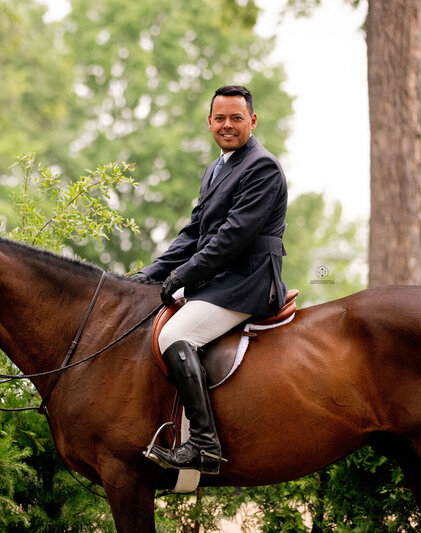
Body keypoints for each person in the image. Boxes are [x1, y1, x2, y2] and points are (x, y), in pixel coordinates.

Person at [134, 85, 288, 474]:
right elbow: (194, 233)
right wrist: (148, 275)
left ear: (252, 121)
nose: (227, 125)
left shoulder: (262, 167)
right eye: (220, 118)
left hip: (247, 280)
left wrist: (181, 276)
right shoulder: (217, 168)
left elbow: (231, 238)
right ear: (209, 122)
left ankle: (204, 445)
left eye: (236, 118)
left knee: (174, 336)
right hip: (219, 278)